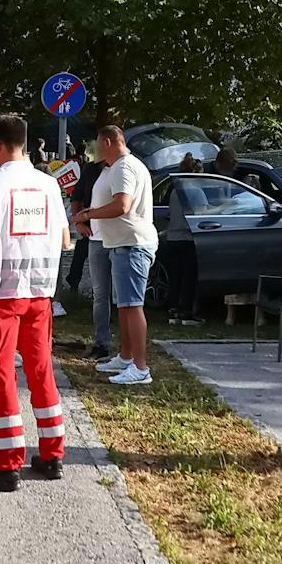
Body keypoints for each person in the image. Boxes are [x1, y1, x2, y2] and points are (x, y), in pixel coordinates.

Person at [0, 113, 69, 491]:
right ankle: (52, 454)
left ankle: (6, 462)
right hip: (39, 292)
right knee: (41, 370)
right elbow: (65, 239)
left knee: (0, 373)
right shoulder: (49, 185)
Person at [74, 125, 158, 385]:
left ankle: (141, 368)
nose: (95, 150)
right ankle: (125, 356)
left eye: (98, 144)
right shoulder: (115, 167)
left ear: (109, 142)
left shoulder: (124, 167)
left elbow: (122, 205)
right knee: (124, 305)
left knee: (132, 306)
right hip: (121, 243)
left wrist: (88, 214)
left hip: (132, 244)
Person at [68, 148, 109, 357]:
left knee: (122, 297)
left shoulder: (126, 168)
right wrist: (80, 222)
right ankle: (102, 342)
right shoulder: (91, 171)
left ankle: (126, 346)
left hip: (120, 238)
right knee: (100, 292)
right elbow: (76, 198)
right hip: (95, 236)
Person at [162, 176, 202, 327]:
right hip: (188, 237)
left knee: (175, 276)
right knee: (189, 277)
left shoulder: (174, 192)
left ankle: (173, 311)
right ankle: (187, 312)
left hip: (173, 237)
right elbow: (201, 213)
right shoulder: (197, 192)